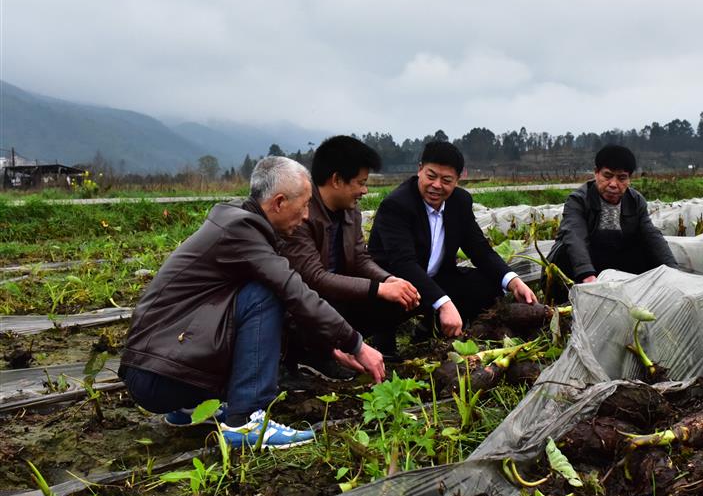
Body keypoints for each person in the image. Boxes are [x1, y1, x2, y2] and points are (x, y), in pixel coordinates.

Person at [119, 156, 387, 448]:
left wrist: (330, 345)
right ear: (279, 202)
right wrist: (356, 344)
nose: (308, 215)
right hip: (159, 374)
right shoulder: (241, 232)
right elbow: (295, 292)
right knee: (266, 293)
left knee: (262, 296)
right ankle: (245, 419)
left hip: (155, 369)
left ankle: (190, 410)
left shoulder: (241, 223)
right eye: (305, 204)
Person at [367, 140, 536, 341]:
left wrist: (513, 281)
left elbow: (479, 250)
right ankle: (384, 341)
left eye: (446, 180)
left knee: (487, 285)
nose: (437, 186)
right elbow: (403, 264)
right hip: (396, 283)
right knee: (395, 300)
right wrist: (444, 303)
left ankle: (433, 330)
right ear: (420, 170)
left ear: (458, 179)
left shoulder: (459, 202)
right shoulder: (397, 205)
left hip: (436, 277)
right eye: (431, 176)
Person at [281, 135, 420, 373]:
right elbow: (314, 277)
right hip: (304, 306)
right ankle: (310, 356)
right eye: (360, 182)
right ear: (336, 180)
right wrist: (378, 288)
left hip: (338, 299)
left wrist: (388, 280)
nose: (365, 190)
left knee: (401, 298)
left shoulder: (350, 213)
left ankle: (343, 347)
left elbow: (359, 258)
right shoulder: (302, 213)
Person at [546, 145, 676, 298]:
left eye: (621, 178)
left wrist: (672, 273)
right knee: (566, 251)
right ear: (596, 173)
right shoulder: (579, 200)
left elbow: (652, 236)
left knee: (645, 248)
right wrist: (587, 275)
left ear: (629, 179)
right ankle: (566, 298)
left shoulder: (635, 201)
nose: (613, 184)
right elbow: (575, 237)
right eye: (607, 176)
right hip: (581, 268)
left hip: (615, 266)